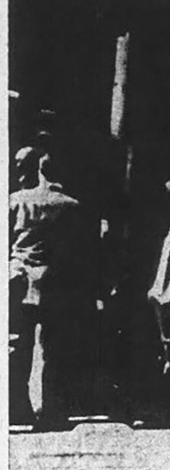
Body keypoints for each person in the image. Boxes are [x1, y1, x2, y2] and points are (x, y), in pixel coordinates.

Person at [9, 150, 87, 427]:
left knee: (17, 344)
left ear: (38, 171)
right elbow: (81, 253)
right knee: (53, 348)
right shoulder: (72, 205)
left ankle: (15, 407)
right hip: (55, 284)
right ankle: (51, 410)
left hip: (17, 280)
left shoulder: (17, 201)